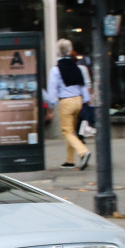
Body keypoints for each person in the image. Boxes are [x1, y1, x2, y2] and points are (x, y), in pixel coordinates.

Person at [44, 39, 92, 170]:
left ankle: (83, 152)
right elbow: (83, 86)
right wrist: (87, 100)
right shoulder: (77, 67)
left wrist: (50, 106)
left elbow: (52, 89)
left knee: (67, 132)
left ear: (58, 52)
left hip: (66, 102)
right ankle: (70, 160)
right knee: (71, 131)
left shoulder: (55, 70)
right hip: (78, 101)